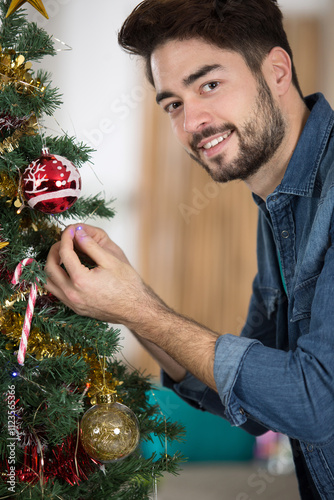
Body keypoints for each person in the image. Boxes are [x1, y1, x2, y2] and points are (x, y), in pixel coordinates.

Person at [45, 1, 334, 498]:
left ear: (277, 70)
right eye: (173, 103)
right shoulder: (279, 206)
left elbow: (314, 401)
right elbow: (255, 400)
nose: (193, 121)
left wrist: (140, 309)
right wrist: (129, 301)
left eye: (209, 85)